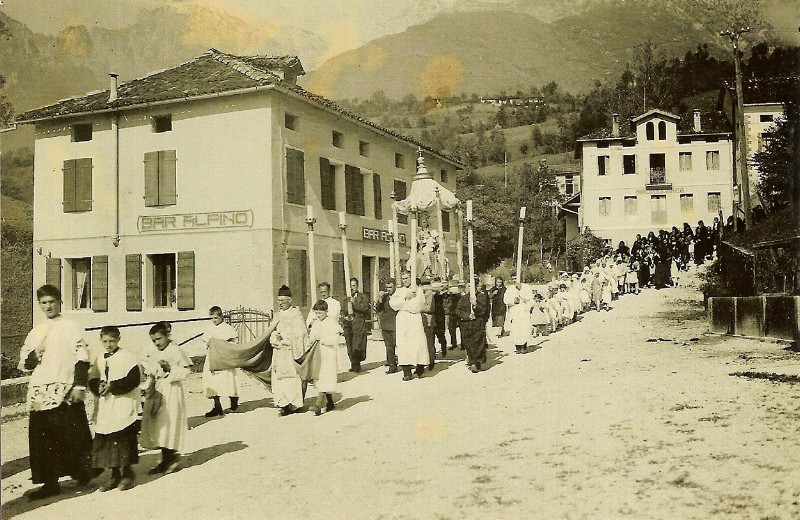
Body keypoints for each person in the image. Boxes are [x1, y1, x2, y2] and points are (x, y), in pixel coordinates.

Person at [18, 284, 94, 500]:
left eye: (52, 301)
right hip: (41, 391)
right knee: (44, 439)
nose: (48, 306)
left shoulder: (71, 326)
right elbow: (24, 363)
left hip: (65, 387)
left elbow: (82, 357)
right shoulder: (37, 331)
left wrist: (80, 385)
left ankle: (84, 473)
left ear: (60, 301)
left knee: (73, 433)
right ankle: (50, 483)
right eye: (44, 302)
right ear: (40, 305)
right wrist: (34, 355)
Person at [89, 326, 141, 491]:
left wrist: (114, 385)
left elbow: (134, 379)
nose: (109, 344)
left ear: (118, 339)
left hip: (123, 401)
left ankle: (127, 473)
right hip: (107, 404)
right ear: (101, 341)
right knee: (108, 438)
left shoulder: (127, 357)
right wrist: (99, 385)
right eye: (105, 341)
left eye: (112, 341)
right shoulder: (99, 358)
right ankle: (114, 474)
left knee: (123, 437)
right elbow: (94, 378)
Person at [140, 321, 192, 474]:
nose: (157, 343)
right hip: (157, 390)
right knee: (158, 425)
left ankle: (171, 456)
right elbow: (150, 372)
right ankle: (165, 458)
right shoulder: (155, 352)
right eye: (154, 340)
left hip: (172, 391)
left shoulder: (176, 350)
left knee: (170, 423)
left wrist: (170, 369)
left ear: (167, 336)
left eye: (159, 339)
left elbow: (186, 370)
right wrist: (147, 386)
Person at [271, 285, 307, 416]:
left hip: (292, 352)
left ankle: (295, 405)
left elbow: (301, 334)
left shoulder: (296, 315)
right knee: (280, 380)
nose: (280, 303)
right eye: (278, 300)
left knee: (293, 379)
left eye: (282, 300)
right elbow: (271, 332)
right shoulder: (277, 315)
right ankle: (283, 404)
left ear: (289, 300)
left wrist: (288, 338)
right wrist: (276, 337)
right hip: (280, 352)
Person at [201, 306, 239, 417]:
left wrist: (224, 344)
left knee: (228, 379)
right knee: (212, 381)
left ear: (221, 316)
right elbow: (205, 342)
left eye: (216, 318)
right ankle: (217, 406)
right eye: (212, 318)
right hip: (213, 358)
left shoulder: (227, 328)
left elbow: (234, 341)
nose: (214, 320)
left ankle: (234, 402)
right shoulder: (209, 329)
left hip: (224, 358)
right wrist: (208, 344)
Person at [389, 272, 428, 381]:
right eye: (403, 278)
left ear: (412, 278)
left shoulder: (418, 290)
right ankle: (407, 372)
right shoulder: (400, 291)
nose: (405, 280)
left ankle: (420, 367)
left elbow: (416, 306)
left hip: (414, 319)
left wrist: (402, 305)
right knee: (403, 345)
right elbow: (393, 304)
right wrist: (405, 298)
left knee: (417, 344)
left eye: (406, 278)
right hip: (403, 320)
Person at [307, 300, 343, 416]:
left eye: (320, 313)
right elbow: (312, 337)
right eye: (316, 313)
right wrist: (310, 341)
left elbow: (334, 340)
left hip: (328, 353)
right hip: (318, 354)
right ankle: (330, 401)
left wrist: (322, 339)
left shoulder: (331, 323)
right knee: (321, 377)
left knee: (325, 376)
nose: (318, 316)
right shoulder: (316, 323)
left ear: (326, 312)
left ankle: (318, 404)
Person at [456, 279, 489, 372]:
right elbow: (458, 310)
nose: (470, 288)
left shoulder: (481, 297)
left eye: (472, 286)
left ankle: (476, 361)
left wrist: (476, 305)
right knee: (469, 343)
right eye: (469, 286)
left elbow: (483, 310)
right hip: (467, 324)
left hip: (478, 323)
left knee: (478, 342)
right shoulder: (464, 298)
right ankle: (473, 361)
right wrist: (467, 315)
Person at [343, 278, 370, 373]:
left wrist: (355, 302)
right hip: (348, 324)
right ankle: (353, 363)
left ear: (357, 286)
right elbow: (342, 311)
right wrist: (344, 317)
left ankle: (357, 364)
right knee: (349, 344)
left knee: (357, 344)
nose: (352, 288)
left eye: (354, 285)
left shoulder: (362, 297)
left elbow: (366, 308)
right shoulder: (345, 298)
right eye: (350, 286)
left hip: (358, 323)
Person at [374, 279, 399, 374]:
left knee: (399, 345)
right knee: (389, 346)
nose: (388, 289)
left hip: (396, 324)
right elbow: (377, 309)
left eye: (390, 287)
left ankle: (406, 363)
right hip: (386, 325)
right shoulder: (384, 297)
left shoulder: (398, 297)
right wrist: (380, 300)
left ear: (395, 287)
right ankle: (392, 366)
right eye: (387, 287)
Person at [504, 280, 533, 354]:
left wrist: (521, 292)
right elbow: (506, 300)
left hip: (524, 311)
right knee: (516, 329)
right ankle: (517, 346)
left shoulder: (526, 287)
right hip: (515, 311)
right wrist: (513, 301)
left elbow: (530, 298)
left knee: (524, 328)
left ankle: (524, 346)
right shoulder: (510, 289)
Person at [442, 279, 462, 350]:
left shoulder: (458, 294)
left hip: (458, 313)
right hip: (451, 313)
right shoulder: (447, 295)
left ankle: (463, 344)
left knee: (461, 329)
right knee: (451, 329)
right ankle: (454, 343)